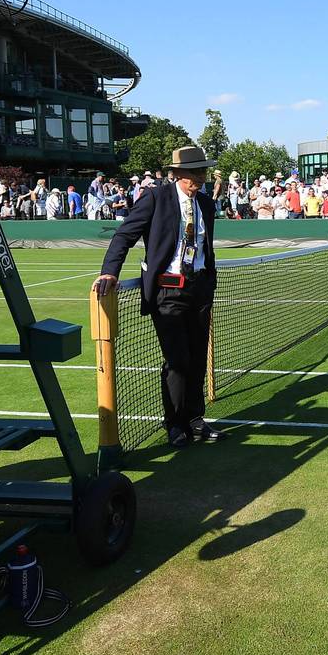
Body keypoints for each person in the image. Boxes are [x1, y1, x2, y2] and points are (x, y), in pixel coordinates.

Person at [92, 146, 226, 447]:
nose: (200, 177)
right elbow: (124, 235)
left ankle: (195, 419)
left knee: (197, 358)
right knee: (177, 360)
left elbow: (205, 247)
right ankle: (175, 424)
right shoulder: (155, 198)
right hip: (168, 292)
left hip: (200, 289)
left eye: (203, 171)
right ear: (177, 174)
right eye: (194, 172)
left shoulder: (205, 203)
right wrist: (110, 272)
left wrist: (208, 282)